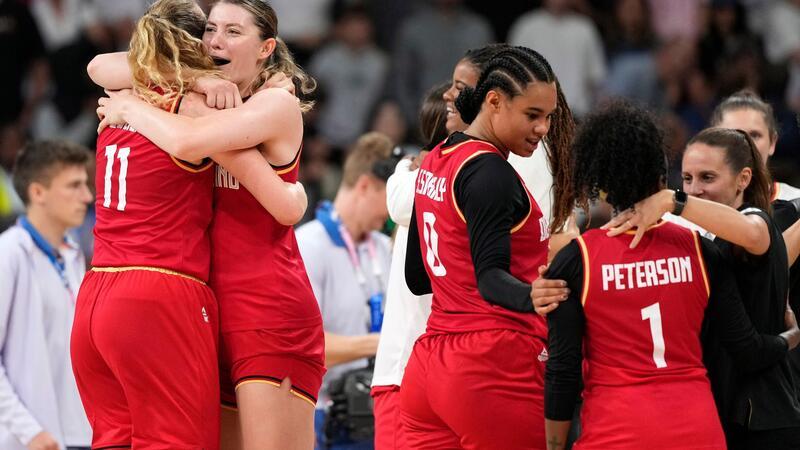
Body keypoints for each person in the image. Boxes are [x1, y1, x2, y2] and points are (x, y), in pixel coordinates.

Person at [74, 1, 309, 449]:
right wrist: (190, 84)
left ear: (266, 48)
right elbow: (100, 65)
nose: (217, 41)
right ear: (191, 47)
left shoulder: (263, 103)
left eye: (233, 32)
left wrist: (132, 106)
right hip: (174, 297)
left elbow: (286, 205)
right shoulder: (196, 105)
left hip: (249, 306)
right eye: (210, 30)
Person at [543, 100, 800, 450]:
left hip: (616, 430)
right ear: (663, 178)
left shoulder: (576, 260)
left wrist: (555, 445)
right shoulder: (701, 249)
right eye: (688, 178)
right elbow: (746, 346)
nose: (694, 188)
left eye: (707, 177)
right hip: (697, 426)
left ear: (599, 186)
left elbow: (563, 369)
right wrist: (790, 337)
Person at [403, 45, 574, 449]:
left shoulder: (435, 160)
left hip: (429, 366)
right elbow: (490, 278)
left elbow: (417, 276)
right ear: (493, 101)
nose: (543, 128)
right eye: (532, 115)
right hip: (492, 365)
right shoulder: (491, 173)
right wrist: (531, 293)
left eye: (549, 116)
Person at [295, 132, 395, 450]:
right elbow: (305, 346)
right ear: (365, 186)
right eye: (389, 198)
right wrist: (385, 343)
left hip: (381, 410)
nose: (392, 212)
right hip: (327, 416)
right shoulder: (309, 244)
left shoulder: (383, 245)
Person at [0, 140, 92, 450]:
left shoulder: (74, 255)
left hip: (81, 434)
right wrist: (29, 431)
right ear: (38, 193)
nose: (87, 197)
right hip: (31, 440)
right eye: (74, 186)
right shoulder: (9, 253)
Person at [709, 90, 800, 201]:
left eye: (754, 135)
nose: (746, 143)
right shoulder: (692, 209)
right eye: (734, 134)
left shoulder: (796, 202)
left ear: (772, 142)